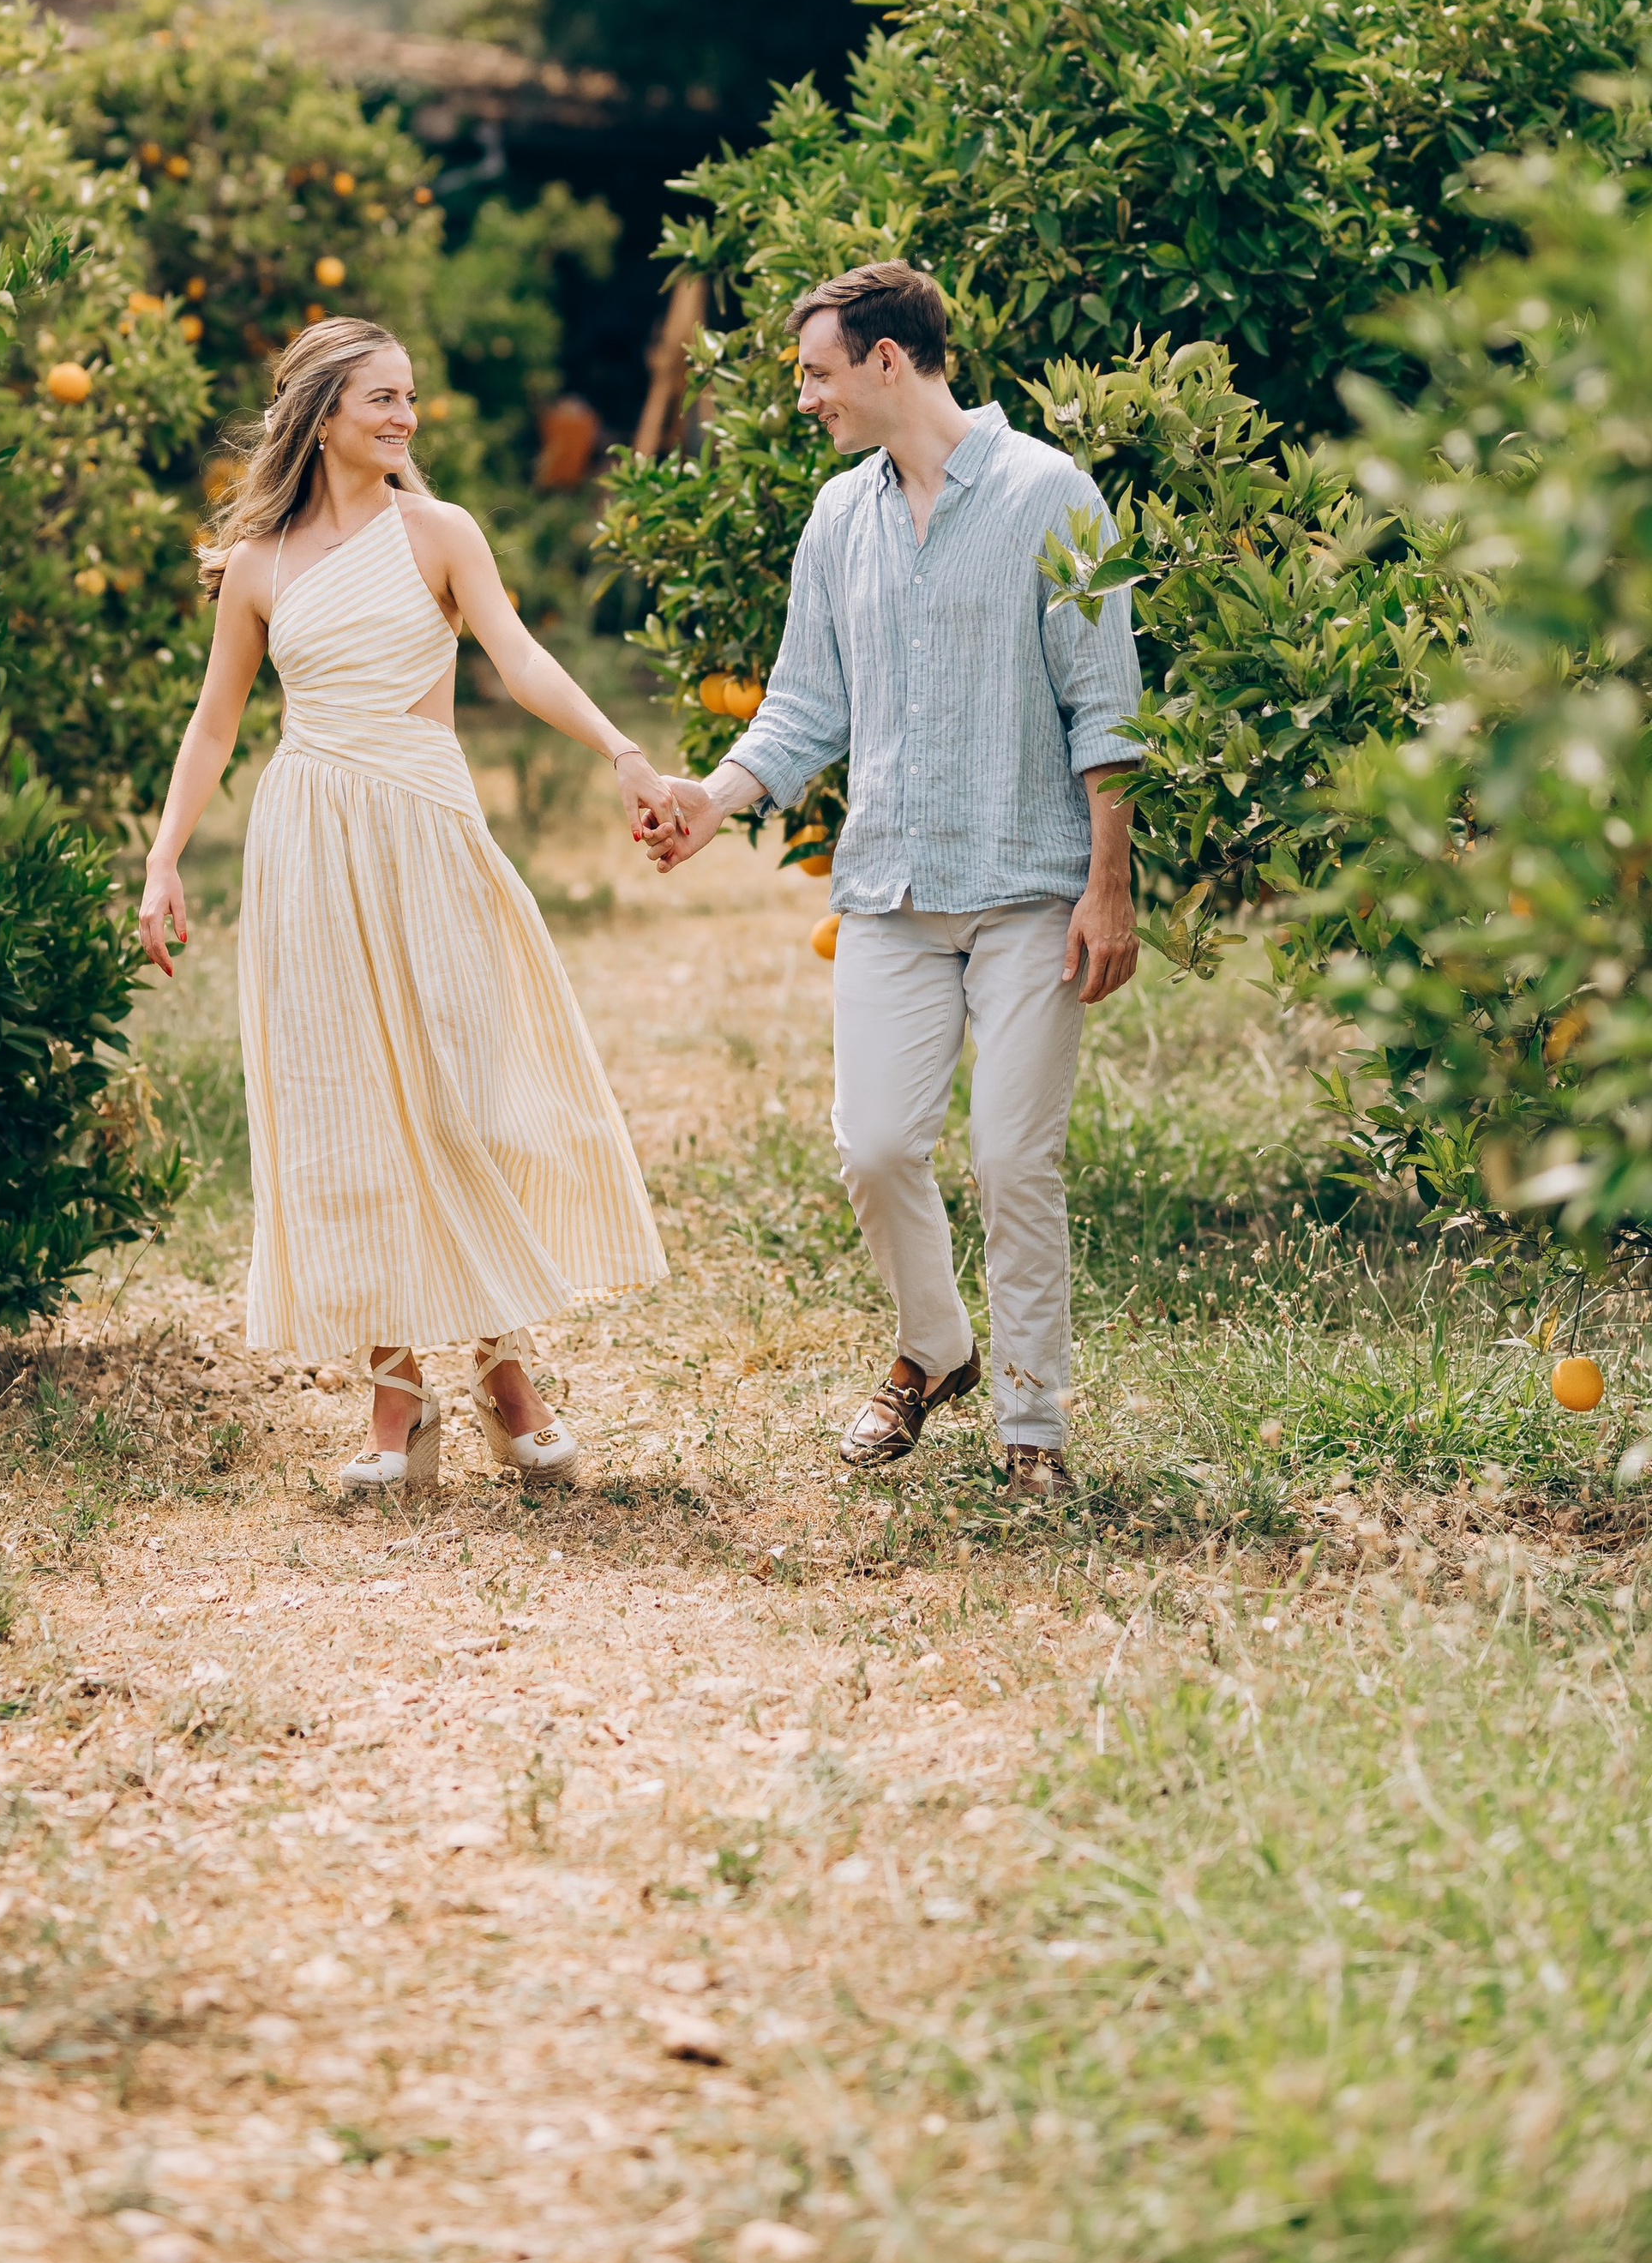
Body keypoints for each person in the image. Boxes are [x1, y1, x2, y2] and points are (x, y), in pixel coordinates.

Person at [138, 319, 673, 1494]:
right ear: (322, 412)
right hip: (308, 844)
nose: (406, 417)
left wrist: (622, 750)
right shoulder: (259, 565)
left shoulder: (440, 533)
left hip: (428, 829)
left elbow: (518, 659)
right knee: (344, 1114)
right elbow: (215, 725)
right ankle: (396, 1401)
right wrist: (165, 858)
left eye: (411, 397)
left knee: (462, 1097)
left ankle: (504, 1373)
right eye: (382, 397)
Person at [648, 261, 1140, 1498]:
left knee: (1014, 1161)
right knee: (874, 1147)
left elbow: (1107, 706)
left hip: (1031, 886)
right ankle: (937, 1346)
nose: (805, 398)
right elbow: (804, 705)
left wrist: (1109, 884)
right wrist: (714, 799)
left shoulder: (1050, 494)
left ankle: (1033, 1424)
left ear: (885, 360)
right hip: (889, 894)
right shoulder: (838, 516)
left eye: (817, 373)